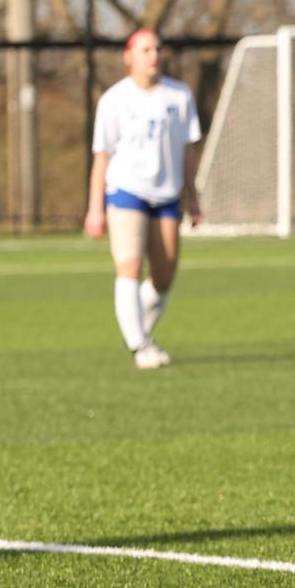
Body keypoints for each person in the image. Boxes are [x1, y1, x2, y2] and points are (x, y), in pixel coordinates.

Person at [84, 28, 203, 369]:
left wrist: (192, 198)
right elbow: (102, 158)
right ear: (129, 56)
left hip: (166, 196)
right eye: (145, 49)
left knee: (164, 278)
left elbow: (186, 152)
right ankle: (138, 345)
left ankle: (139, 330)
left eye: (157, 49)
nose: (153, 55)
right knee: (130, 267)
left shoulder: (179, 97)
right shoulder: (114, 100)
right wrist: (95, 209)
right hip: (126, 193)